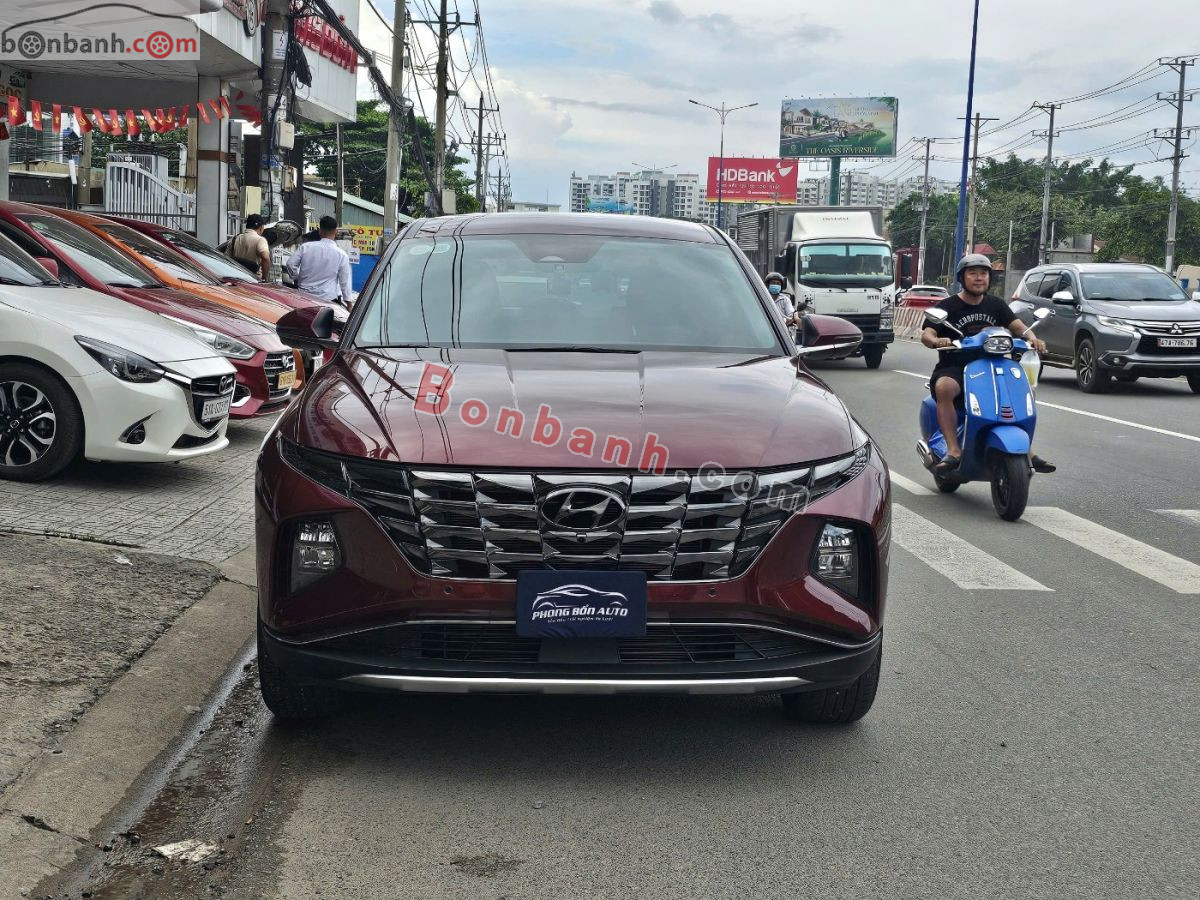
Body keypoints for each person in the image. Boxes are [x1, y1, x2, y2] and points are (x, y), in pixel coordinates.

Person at [921, 254, 1055, 474]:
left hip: (995, 364)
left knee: (1023, 391)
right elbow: (928, 333)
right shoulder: (948, 305)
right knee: (944, 387)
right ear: (962, 278)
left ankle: (1027, 450)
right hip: (957, 365)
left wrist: (1033, 338)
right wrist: (936, 340)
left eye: (983, 273)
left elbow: (1019, 327)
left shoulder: (996, 305)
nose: (979, 278)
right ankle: (954, 450)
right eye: (972, 273)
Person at [285, 216, 352, 306]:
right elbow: (345, 281)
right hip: (328, 300)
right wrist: (349, 303)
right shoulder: (342, 255)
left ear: (320, 231)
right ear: (336, 232)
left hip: (304, 297)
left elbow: (290, 264)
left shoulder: (306, 247)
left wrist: (297, 277)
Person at [227, 214, 271, 281]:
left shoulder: (234, 239)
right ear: (261, 227)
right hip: (252, 280)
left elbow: (226, 258)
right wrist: (264, 278)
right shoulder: (260, 240)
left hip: (235, 279)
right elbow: (265, 258)